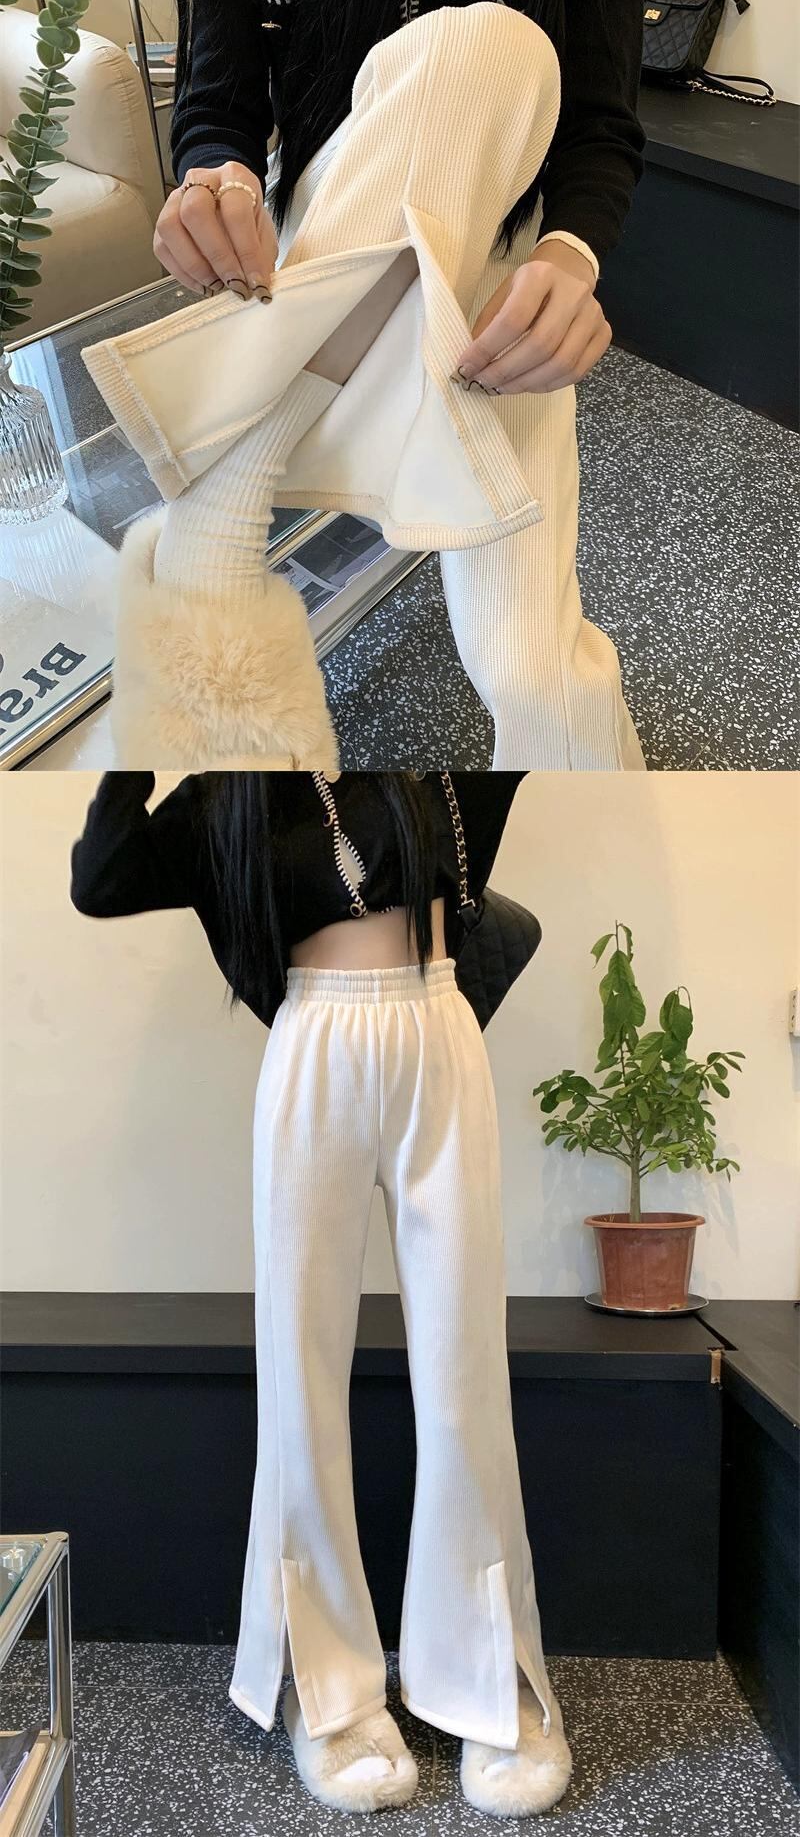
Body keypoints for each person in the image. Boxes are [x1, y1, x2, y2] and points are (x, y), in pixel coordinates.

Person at [70, 767, 573, 1817]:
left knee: (466, 1377)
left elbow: (513, 763)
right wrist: (151, 739)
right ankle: (329, 1683)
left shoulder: (411, 750)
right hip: (313, 1041)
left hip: (439, 1030)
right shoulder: (231, 790)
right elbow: (103, 878)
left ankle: (494, 1674)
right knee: (299, 1378)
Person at [126, 0, 646, 771]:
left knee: (532, 673)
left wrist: (572, 255)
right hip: (326, 238)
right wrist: (214, 174)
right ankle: (232, 483)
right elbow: (220, 99)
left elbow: (600, 121)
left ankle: (228, 469)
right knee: (486, 40)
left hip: (497, 286)